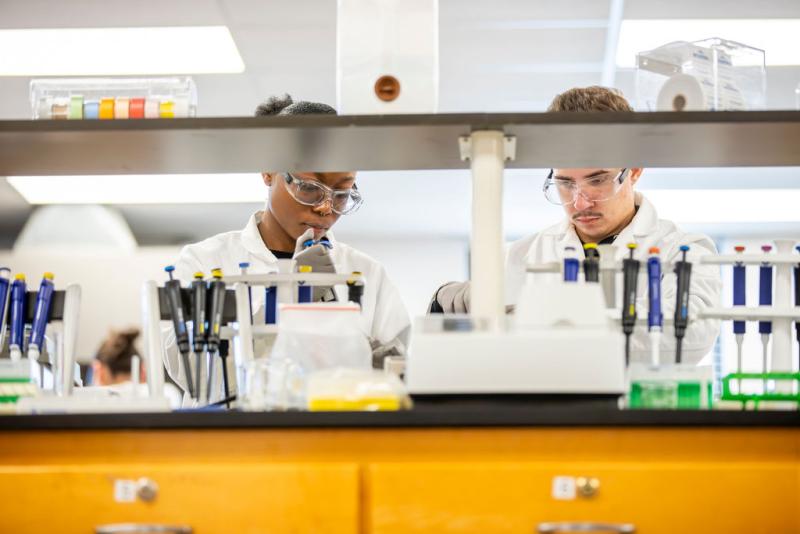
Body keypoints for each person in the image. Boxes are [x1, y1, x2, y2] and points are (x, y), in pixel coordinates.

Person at [431, 86, 721, 364]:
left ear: (634, 170)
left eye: (597, 180)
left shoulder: (683, 250)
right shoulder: (521, 255)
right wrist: (441, 301)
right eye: (565, 184)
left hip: (638, 411)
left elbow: (692, 336)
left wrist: (552, 321)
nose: (580, 203)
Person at [164, 94, 410, 396]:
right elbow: (192, 376)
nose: (325, 208)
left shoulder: (368, 275)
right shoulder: (204, 263)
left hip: (332, 439)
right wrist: (284, 302)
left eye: (342, 194)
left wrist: (371, 362)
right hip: (231, 440)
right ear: (268, 170)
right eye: (309, 188)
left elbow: (399, 378)